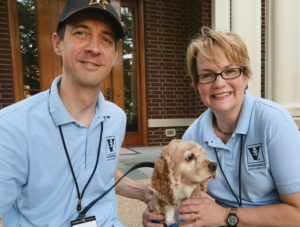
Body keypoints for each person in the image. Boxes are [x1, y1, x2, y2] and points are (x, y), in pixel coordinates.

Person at [0, 0, 150, 226]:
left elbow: (103, 172)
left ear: (115, 55)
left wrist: (145, 194)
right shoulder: (11, 126)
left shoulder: (116, 118)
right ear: (57, 43)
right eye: (81, 33)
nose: (94, 48)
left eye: (106, 39)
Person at [142, 27, 300, 226]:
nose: (219, 83)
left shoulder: (274, 123)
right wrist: (158, 215)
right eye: (207, 75)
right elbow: (183, 197)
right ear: (197, 84)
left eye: (230, 71)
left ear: (246, 76)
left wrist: (226, 215)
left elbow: (297, 214)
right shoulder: (193, 135)